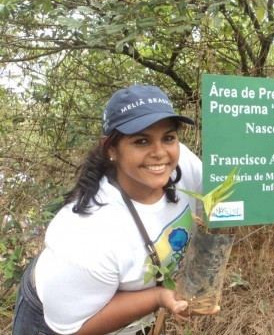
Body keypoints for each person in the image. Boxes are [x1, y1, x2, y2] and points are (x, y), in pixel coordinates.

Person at [12, 84, 216, 335]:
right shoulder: (88, 233)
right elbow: (76, 329)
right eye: (141, 141)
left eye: (168, 137)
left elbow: (226, 202)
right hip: (64, 317)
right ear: (111, 149)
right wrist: (159, 297)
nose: (160, 153)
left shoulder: (179, 162)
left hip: (133, 309)